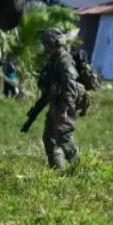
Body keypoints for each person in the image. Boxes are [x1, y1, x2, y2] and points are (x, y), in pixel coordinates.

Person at [22, 28, 80, 170]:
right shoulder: (53, 60)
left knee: (64, 136)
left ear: (53, 43)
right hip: (55, 103)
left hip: (64, 105)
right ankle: (58, 171)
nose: (44, 47)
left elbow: (70, 86)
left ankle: (79, 167)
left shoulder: (65, 60)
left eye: (46, 44)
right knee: (49, 138)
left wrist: (64, 109)